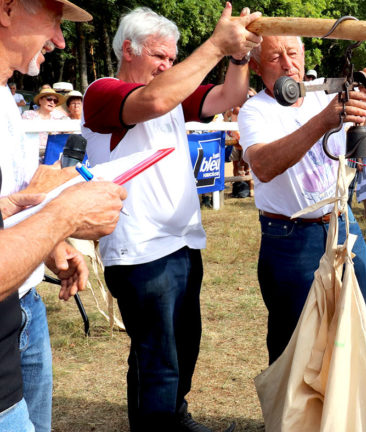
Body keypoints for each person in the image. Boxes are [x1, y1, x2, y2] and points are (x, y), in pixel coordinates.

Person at [81, 5, 260, 431]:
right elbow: (155, 100)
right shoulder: (103, 92)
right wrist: (217, 43)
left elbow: (229, 97)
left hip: (180, 243)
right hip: (140, 249)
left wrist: (238, 57)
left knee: (182, 348)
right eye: (160, 56)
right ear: (129, 49)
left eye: (172, 58)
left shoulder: (170, 90)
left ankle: (174, 416)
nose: (168, 65)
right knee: (157, 360)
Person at [237, 35, 366, 363]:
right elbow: (263, 166)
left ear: (303, 54)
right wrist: (324, 121)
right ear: (257, 67)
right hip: (289, 236)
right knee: (294, 339)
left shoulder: (326, 92)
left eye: (292, 53)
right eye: (275, 58)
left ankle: (343, 411)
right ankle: (288, 415)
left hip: (343, 226)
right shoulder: (255, 110)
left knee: (353, 325)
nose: (288, 64)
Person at [0, 1, 127, 431]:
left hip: (25, 307)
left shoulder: (3, 96)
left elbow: (16, 194)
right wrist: (65, 215)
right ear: (7, 8)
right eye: (54, 21)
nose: (59, 40)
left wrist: (52, 245)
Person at [21, 88, 69, 155]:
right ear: (40, 100)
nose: (52, 102)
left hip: (51, 155)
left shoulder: (59, 119)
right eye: (49, 99)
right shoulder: (28, 115)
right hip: (30, 154)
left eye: (55, 101)